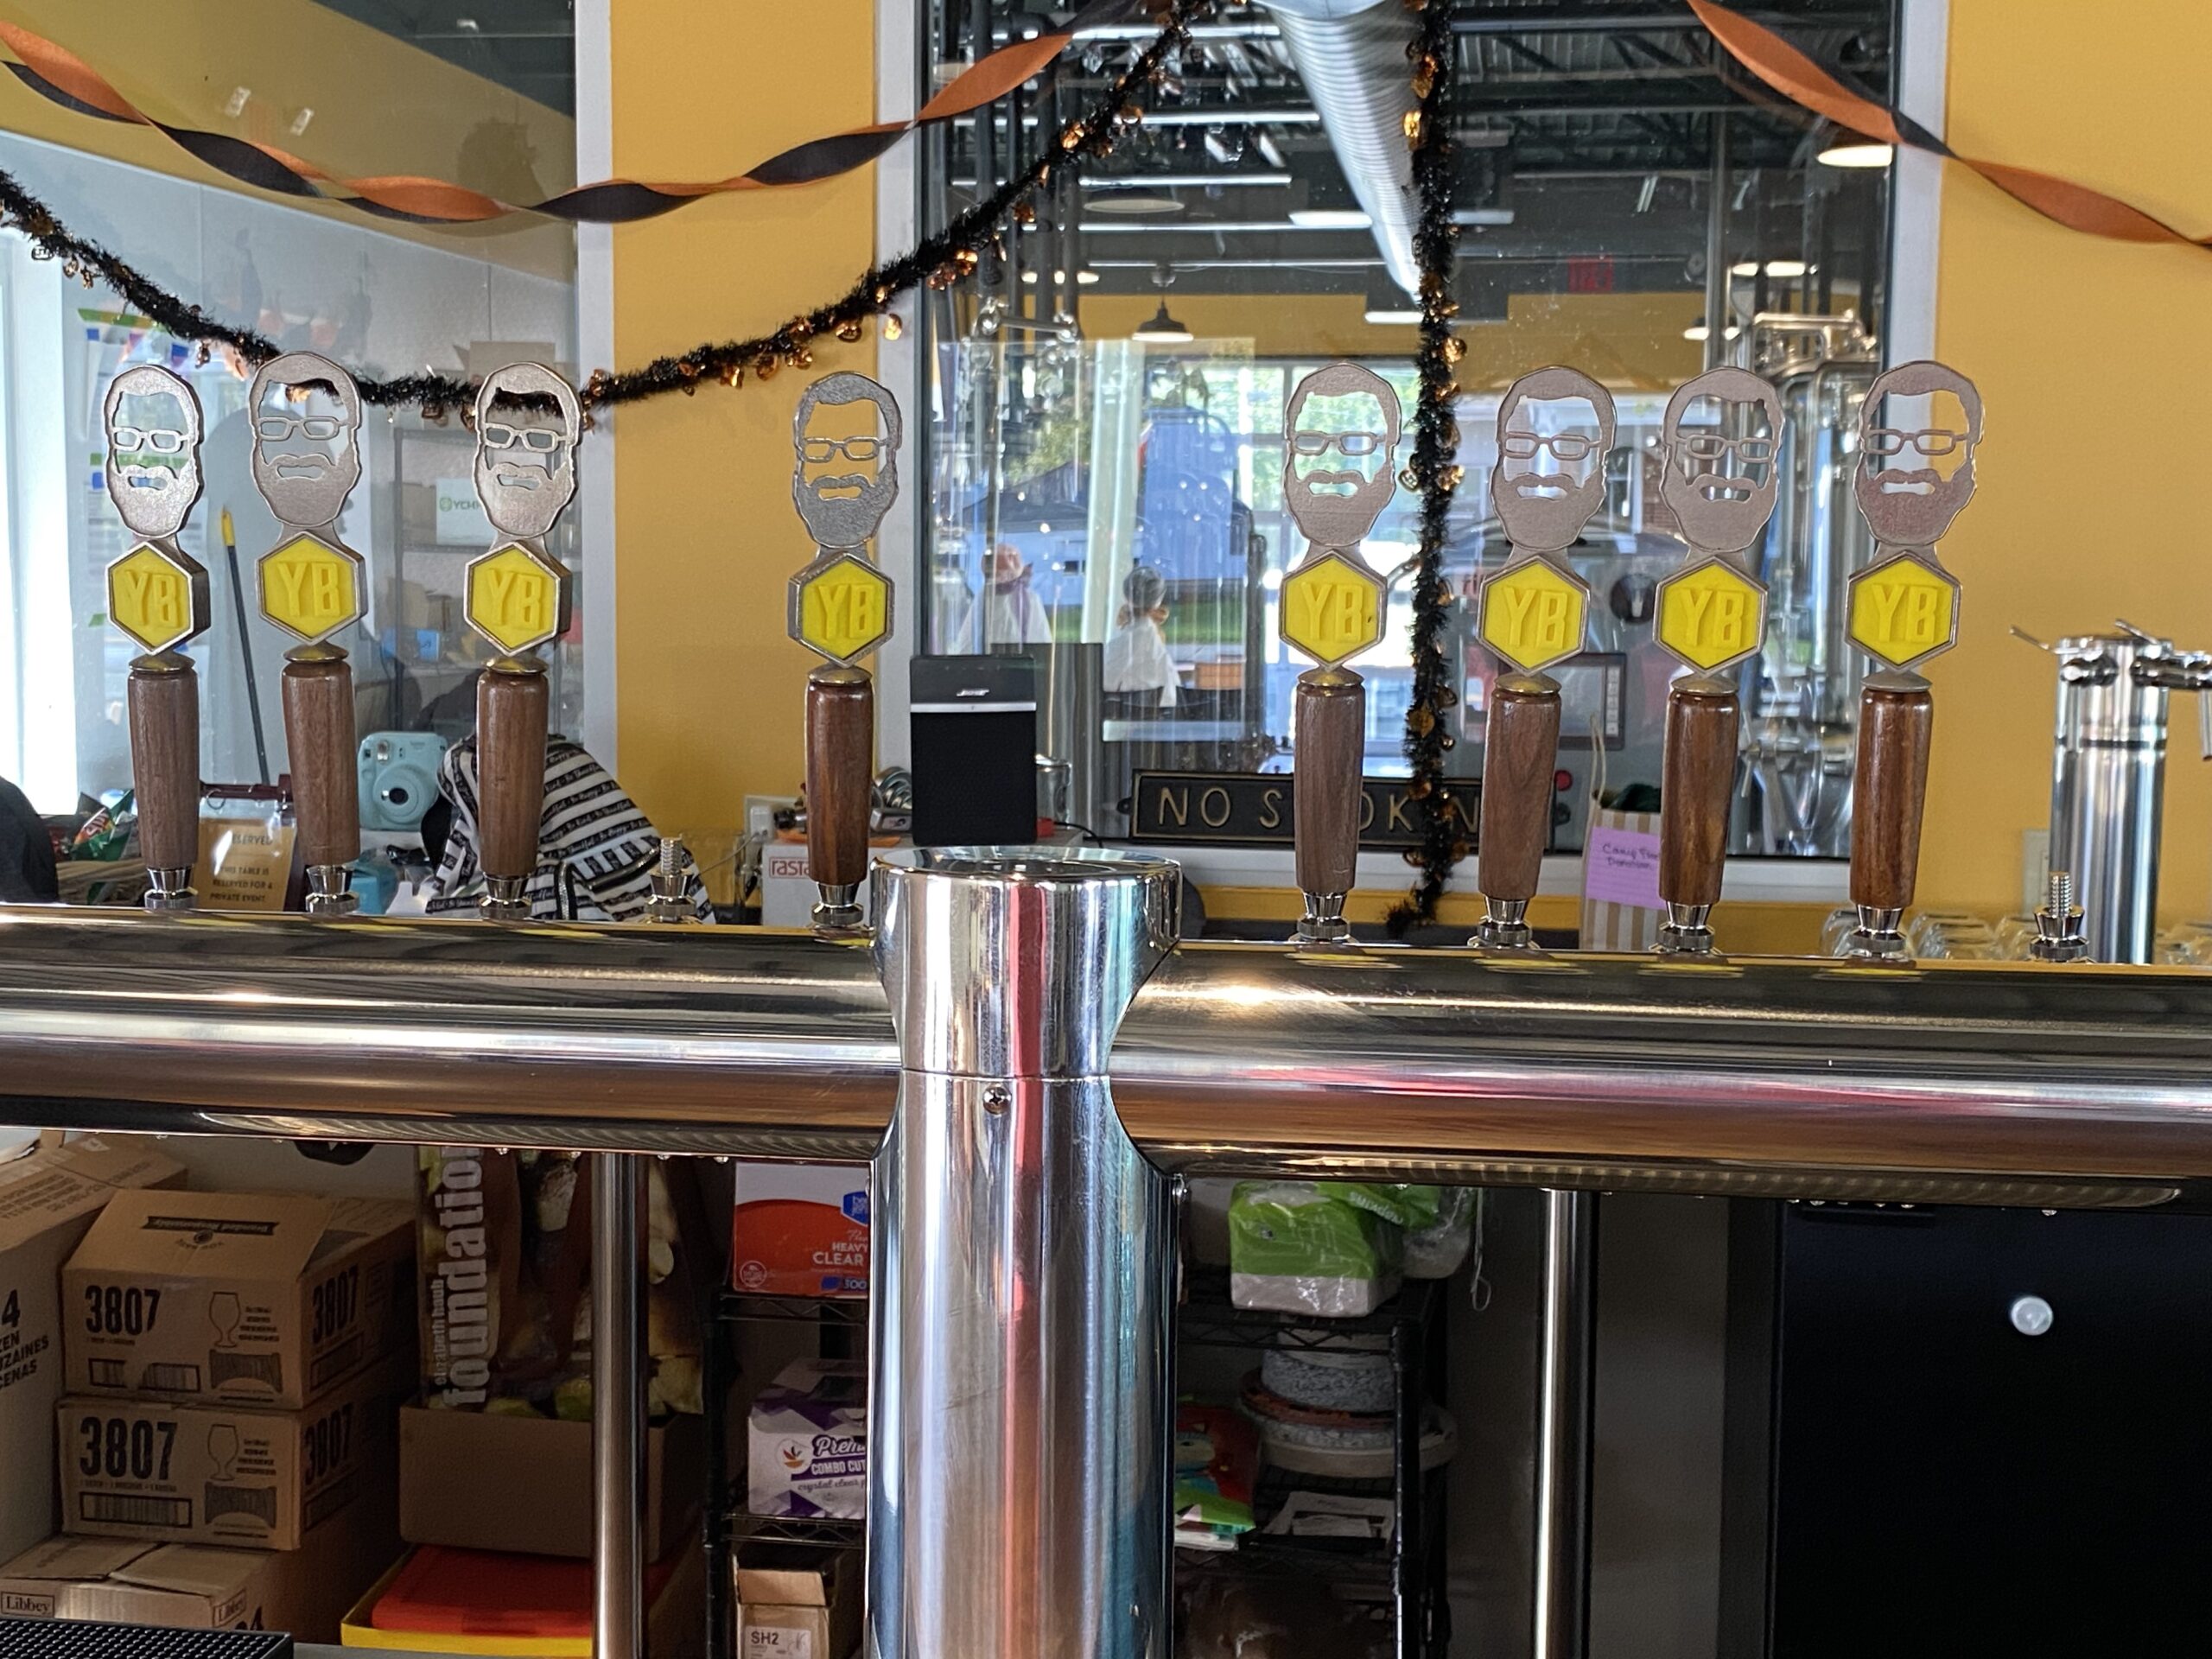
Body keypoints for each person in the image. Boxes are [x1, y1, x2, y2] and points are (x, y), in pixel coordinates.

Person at [1103, 563, 1179, 709]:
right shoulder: (1155, 642)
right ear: (1158, 601)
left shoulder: (1122, 643)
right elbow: (1172, 695)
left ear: (1126, 596)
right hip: (1160, 717)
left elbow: (1105, 684)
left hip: (1126, 716)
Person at [979, 542, 1053, 646]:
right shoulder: (984, 598)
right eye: (1009, 557)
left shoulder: (1030, 598)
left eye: (1014, 556)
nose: (1014, 559)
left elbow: (1041, 636)